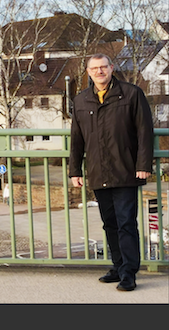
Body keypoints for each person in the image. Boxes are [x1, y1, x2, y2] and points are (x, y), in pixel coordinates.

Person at [69, 53, 154, 292]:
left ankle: (129, 272)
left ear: (111, 68)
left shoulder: (131, 94)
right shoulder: (81, 100)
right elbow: (76, 139)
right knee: (110, 223)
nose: (99, 71)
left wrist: (143, 165)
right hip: (98, 170)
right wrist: (74, 169)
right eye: (94, 68)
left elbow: (144, 132)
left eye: (103, 67)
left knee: (127, 222)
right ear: (88, 72)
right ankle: (117, 266)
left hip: (126, 169)